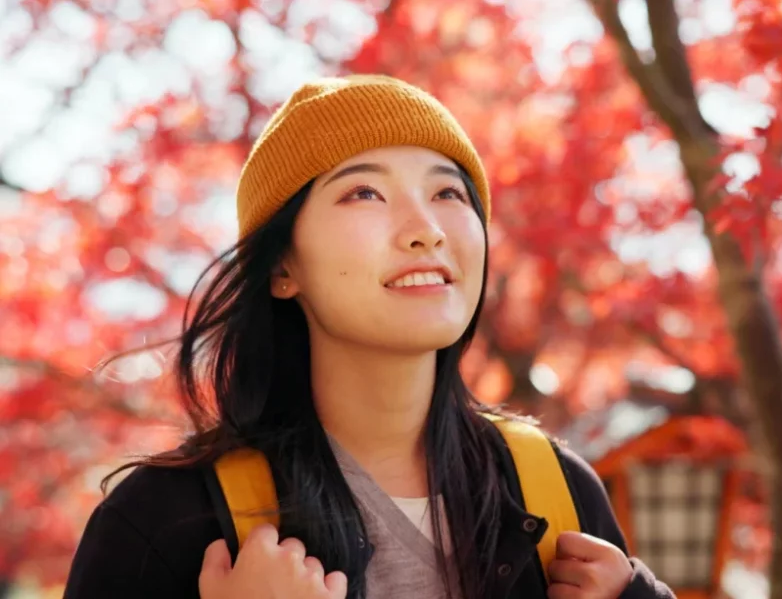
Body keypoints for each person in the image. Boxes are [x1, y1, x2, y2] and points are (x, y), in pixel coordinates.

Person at [62, 75, 676, 599]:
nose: (426, 230)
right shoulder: (165, 521)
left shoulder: (557, 493)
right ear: (282, 267)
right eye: (364, 192)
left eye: (447, 192)